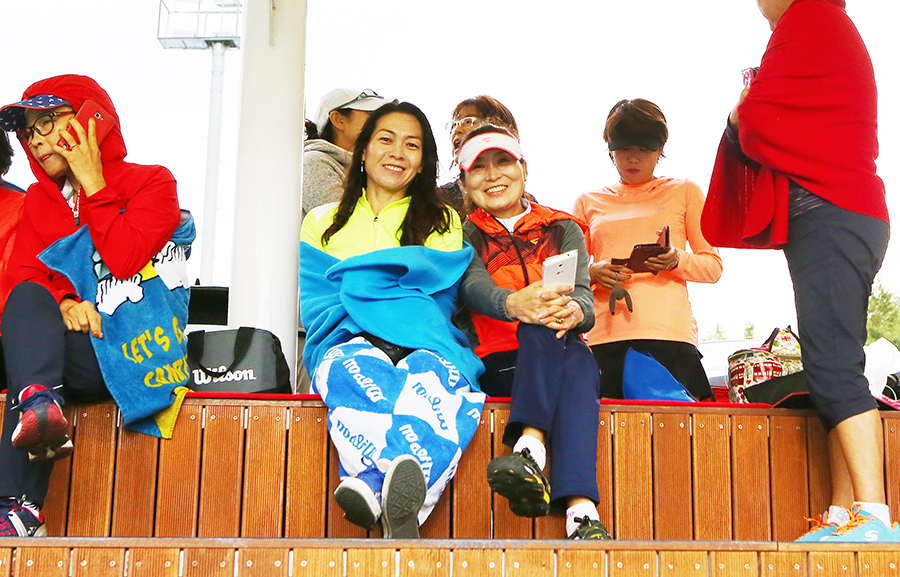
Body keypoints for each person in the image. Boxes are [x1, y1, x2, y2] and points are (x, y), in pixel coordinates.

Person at [702, 0, 893, 542]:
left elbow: (760, 120)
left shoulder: (810, 16)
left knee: (833, 367)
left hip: (832, 213)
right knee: (833, 365)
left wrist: (740, 112)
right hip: (842, 214)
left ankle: (875, 516)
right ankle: (843, 516)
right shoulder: (822, 21)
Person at [0, 75, 191, 537]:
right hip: (71, 353)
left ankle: (19, 503)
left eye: (49, 120)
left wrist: (93, 182)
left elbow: (125, 259)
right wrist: (64, 300)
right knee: (26, 312)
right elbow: (23, 277)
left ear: (93, 118)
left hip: (136, 350)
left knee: (31, 368)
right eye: (29, 130)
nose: (37, 139)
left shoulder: (152, 181)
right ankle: (37, 419)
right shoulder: (40, 200)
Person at [300, 101, 485, 539]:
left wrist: (355, 282)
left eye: (412, 145)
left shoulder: (444, 221)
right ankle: (403, 507)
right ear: (362, 150)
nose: (397, 152)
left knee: (444, 389)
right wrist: (394, 282)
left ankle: (371, 481)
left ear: (423, 164)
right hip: (345, 336)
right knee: (351, 370)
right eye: (385, 139)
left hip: (424, 341)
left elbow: (437, 300)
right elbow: (318, 300)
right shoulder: (321, 222)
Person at [457, 125, 610, 540]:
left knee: (571, 350)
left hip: (562, 349)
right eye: (479, 168)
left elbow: (583, 297)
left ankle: (529, 449)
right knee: (562, 348)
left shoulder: (562, 227)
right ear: (465, 183)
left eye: (503, 161)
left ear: (523, 168)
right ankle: (582, 510)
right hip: (500, 364)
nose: (493, 175)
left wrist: (574, 312)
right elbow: (474, 288)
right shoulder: (463, 235)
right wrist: (516, 305)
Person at [572, 99, 722, 401]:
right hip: (605, 338)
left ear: (660, 150)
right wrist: (593, 272)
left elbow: (713, 267)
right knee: (606, 430)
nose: (633, 158)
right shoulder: (587, 202)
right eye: (624, 149)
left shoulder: (685, 191)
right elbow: (564, 276)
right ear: (610, 149)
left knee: (680, 429)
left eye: (644, 149)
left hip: (669, 336)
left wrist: (675, 260)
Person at [302, 88, 394, 218]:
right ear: (339, 120)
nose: (381, 123)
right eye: (371, 116)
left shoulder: (366, 166)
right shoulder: (314, 162)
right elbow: (340, 221)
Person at [439, 95, 531, 219]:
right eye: (453, 125)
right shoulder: (439, 201)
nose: (457, 130)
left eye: (468, 122)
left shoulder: (532, 209)